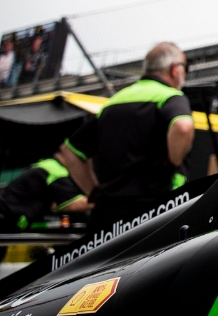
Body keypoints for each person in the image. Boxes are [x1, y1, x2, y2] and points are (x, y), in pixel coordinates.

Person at [61, 42, 195, 228]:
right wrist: (173, 163)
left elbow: (69, 151)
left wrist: (94, 192)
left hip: (106, 216)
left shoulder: (113, 102)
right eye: (185, 67)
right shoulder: (170, 96)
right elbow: (183, 127)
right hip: (152, 212)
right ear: (175, 69)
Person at [0, 151, 91, 231]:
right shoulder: (56, 170)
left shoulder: (49, 165)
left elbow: (61, 205)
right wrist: (98, 200)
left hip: (12, 218)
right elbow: (74, 204)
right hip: (6, 215)